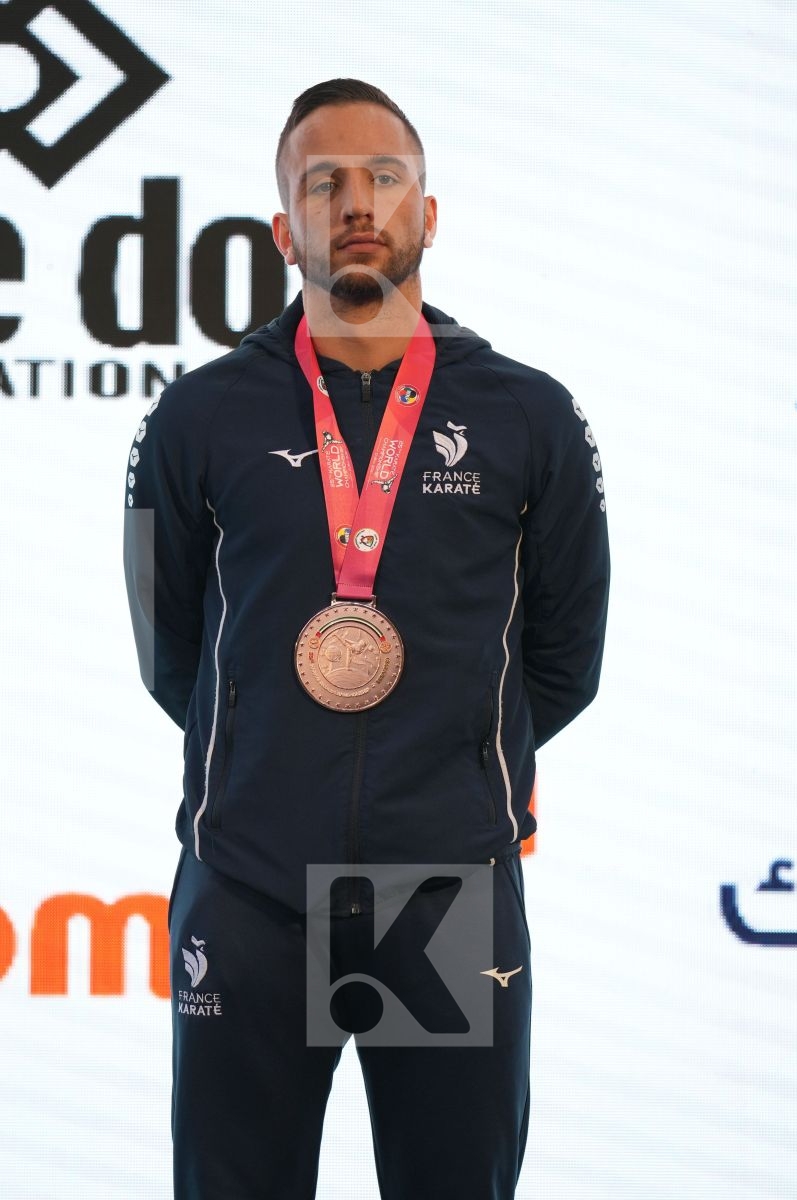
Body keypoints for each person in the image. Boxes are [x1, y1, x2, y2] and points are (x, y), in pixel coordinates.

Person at [123, 78, 610, 1200]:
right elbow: (172, 650)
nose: (356, 202)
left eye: (385, 178)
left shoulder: (526, 416)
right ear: (280, 227)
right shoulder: (195, 418)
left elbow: (563, 658)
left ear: (425, 216)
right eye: (323, 181)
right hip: (246, 891)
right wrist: (265, 757)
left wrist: (444, 770)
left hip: (446, 896)